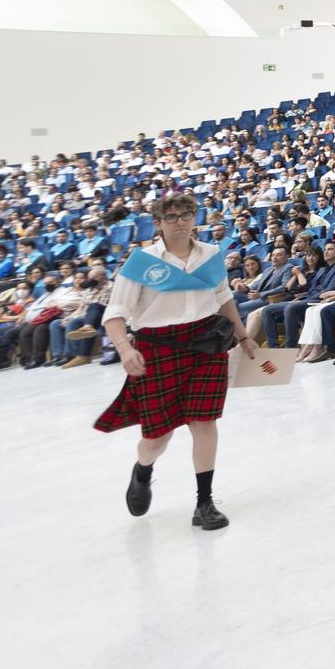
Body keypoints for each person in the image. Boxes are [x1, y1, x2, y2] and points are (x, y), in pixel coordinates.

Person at [94, 192, 258, 531]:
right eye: (171, 217)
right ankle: (142, 471)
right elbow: (115, 315)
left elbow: (224, 299)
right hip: (158, 350)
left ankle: (205, 502)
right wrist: (125, 349)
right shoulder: (139, 263)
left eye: (187, 214)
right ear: (157, 224)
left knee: (205, 422)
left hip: (206, 344)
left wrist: (243, 336)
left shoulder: (211, 255)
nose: (181, 221)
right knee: (158, 436)